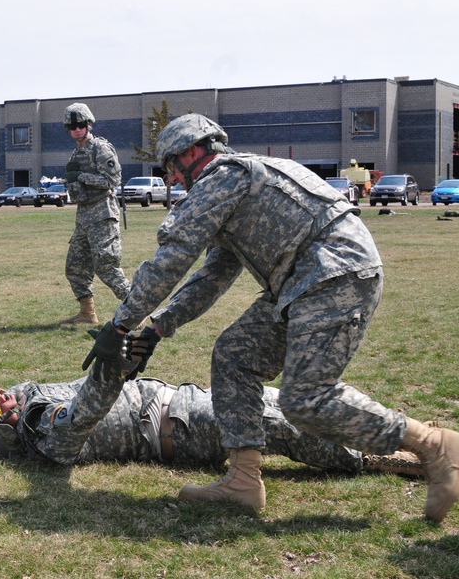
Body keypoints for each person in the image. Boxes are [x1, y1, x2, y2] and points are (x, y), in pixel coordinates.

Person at [82, 113, 459, 520]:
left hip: (334, 275)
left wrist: (120, 323)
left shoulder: (221, 180)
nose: (171, 178)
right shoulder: (240, 181)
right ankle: (243, 480)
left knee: (305, 400)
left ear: (193, 151)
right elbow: (212, 275)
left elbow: (169, 261)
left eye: (171, 166)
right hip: (304, 281)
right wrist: (157, 326)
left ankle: (433, 443)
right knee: (233, 356)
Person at [0, 365, 423, 478]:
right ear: (6, 429)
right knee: (272, 422)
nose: (3, 397)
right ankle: (373, 458)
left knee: (300, 400)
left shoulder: (39, 395)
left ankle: (410, 432)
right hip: (176, 423)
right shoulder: (46, 433)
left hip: (186, 397)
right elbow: (77, 416)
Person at [60, 103, 131, 325]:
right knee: (75, 266)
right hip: (84, 216)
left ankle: (137, 311)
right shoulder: (76, 152)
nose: (77, 130)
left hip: (102, 214)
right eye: (72, 127)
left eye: (80, 125)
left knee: (107, 267)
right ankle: (87, 314)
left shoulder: (100, 149)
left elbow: (112, 181)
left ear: (89, 124)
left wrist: (81, 176)